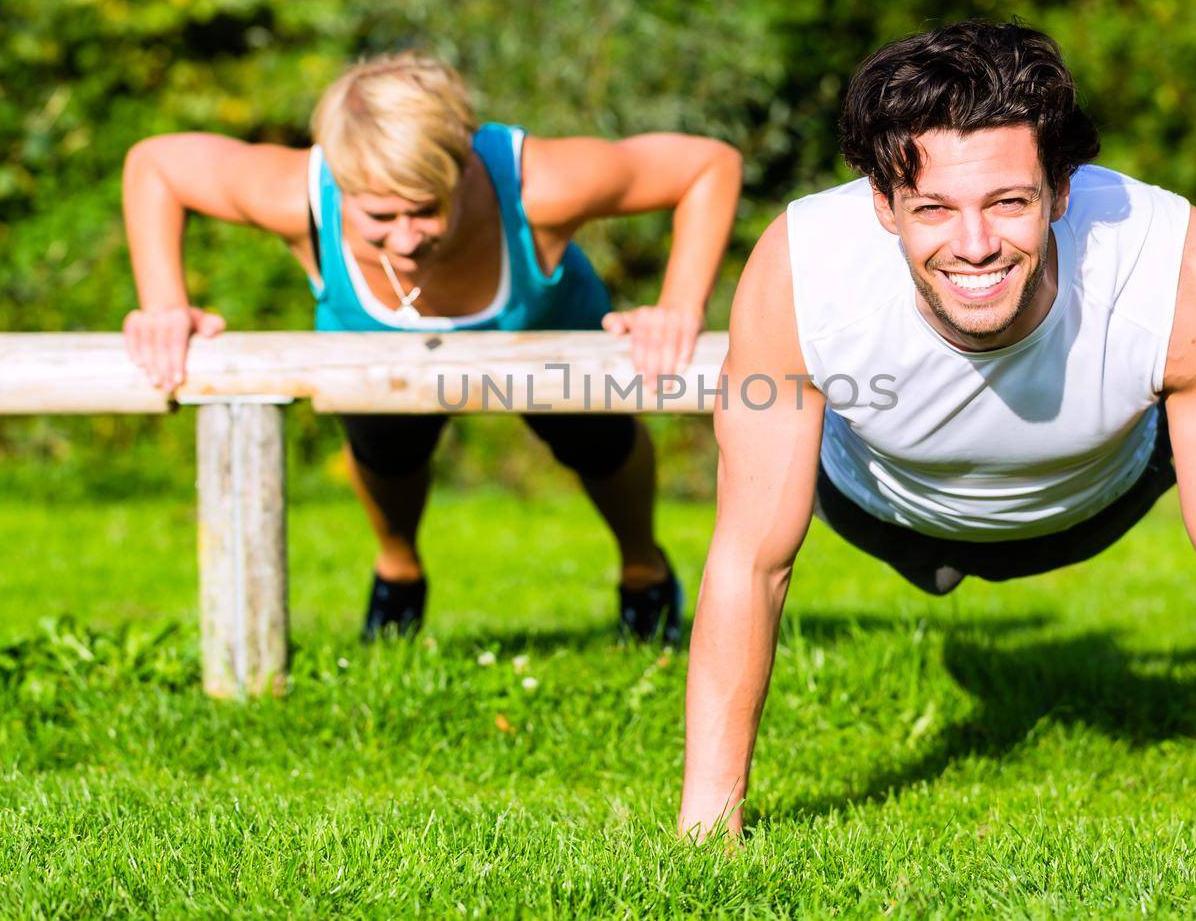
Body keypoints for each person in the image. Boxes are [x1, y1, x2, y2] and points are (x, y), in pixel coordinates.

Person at [678, 21, 1196, 855]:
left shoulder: (1176, 267)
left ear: (1060, 189)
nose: (974, 244)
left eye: (1008, 202)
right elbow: (749, 561)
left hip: (1097, 496)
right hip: (880, 500)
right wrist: (703, 835)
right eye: (932, 208)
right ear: (881, 203)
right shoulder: (802, 268)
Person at [120, 51, 742, 643]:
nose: (404, 240)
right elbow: (156, 165)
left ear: (463, 167)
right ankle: (398, 569)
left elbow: (707, 165)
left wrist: (678, 307)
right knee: (385, 449)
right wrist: (164, 305)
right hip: (375, 354)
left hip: (544, 329)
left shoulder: (537, 185)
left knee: (596, 443)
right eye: (378, 218)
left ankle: (644, 572)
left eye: (423, 211)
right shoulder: (297, 195)